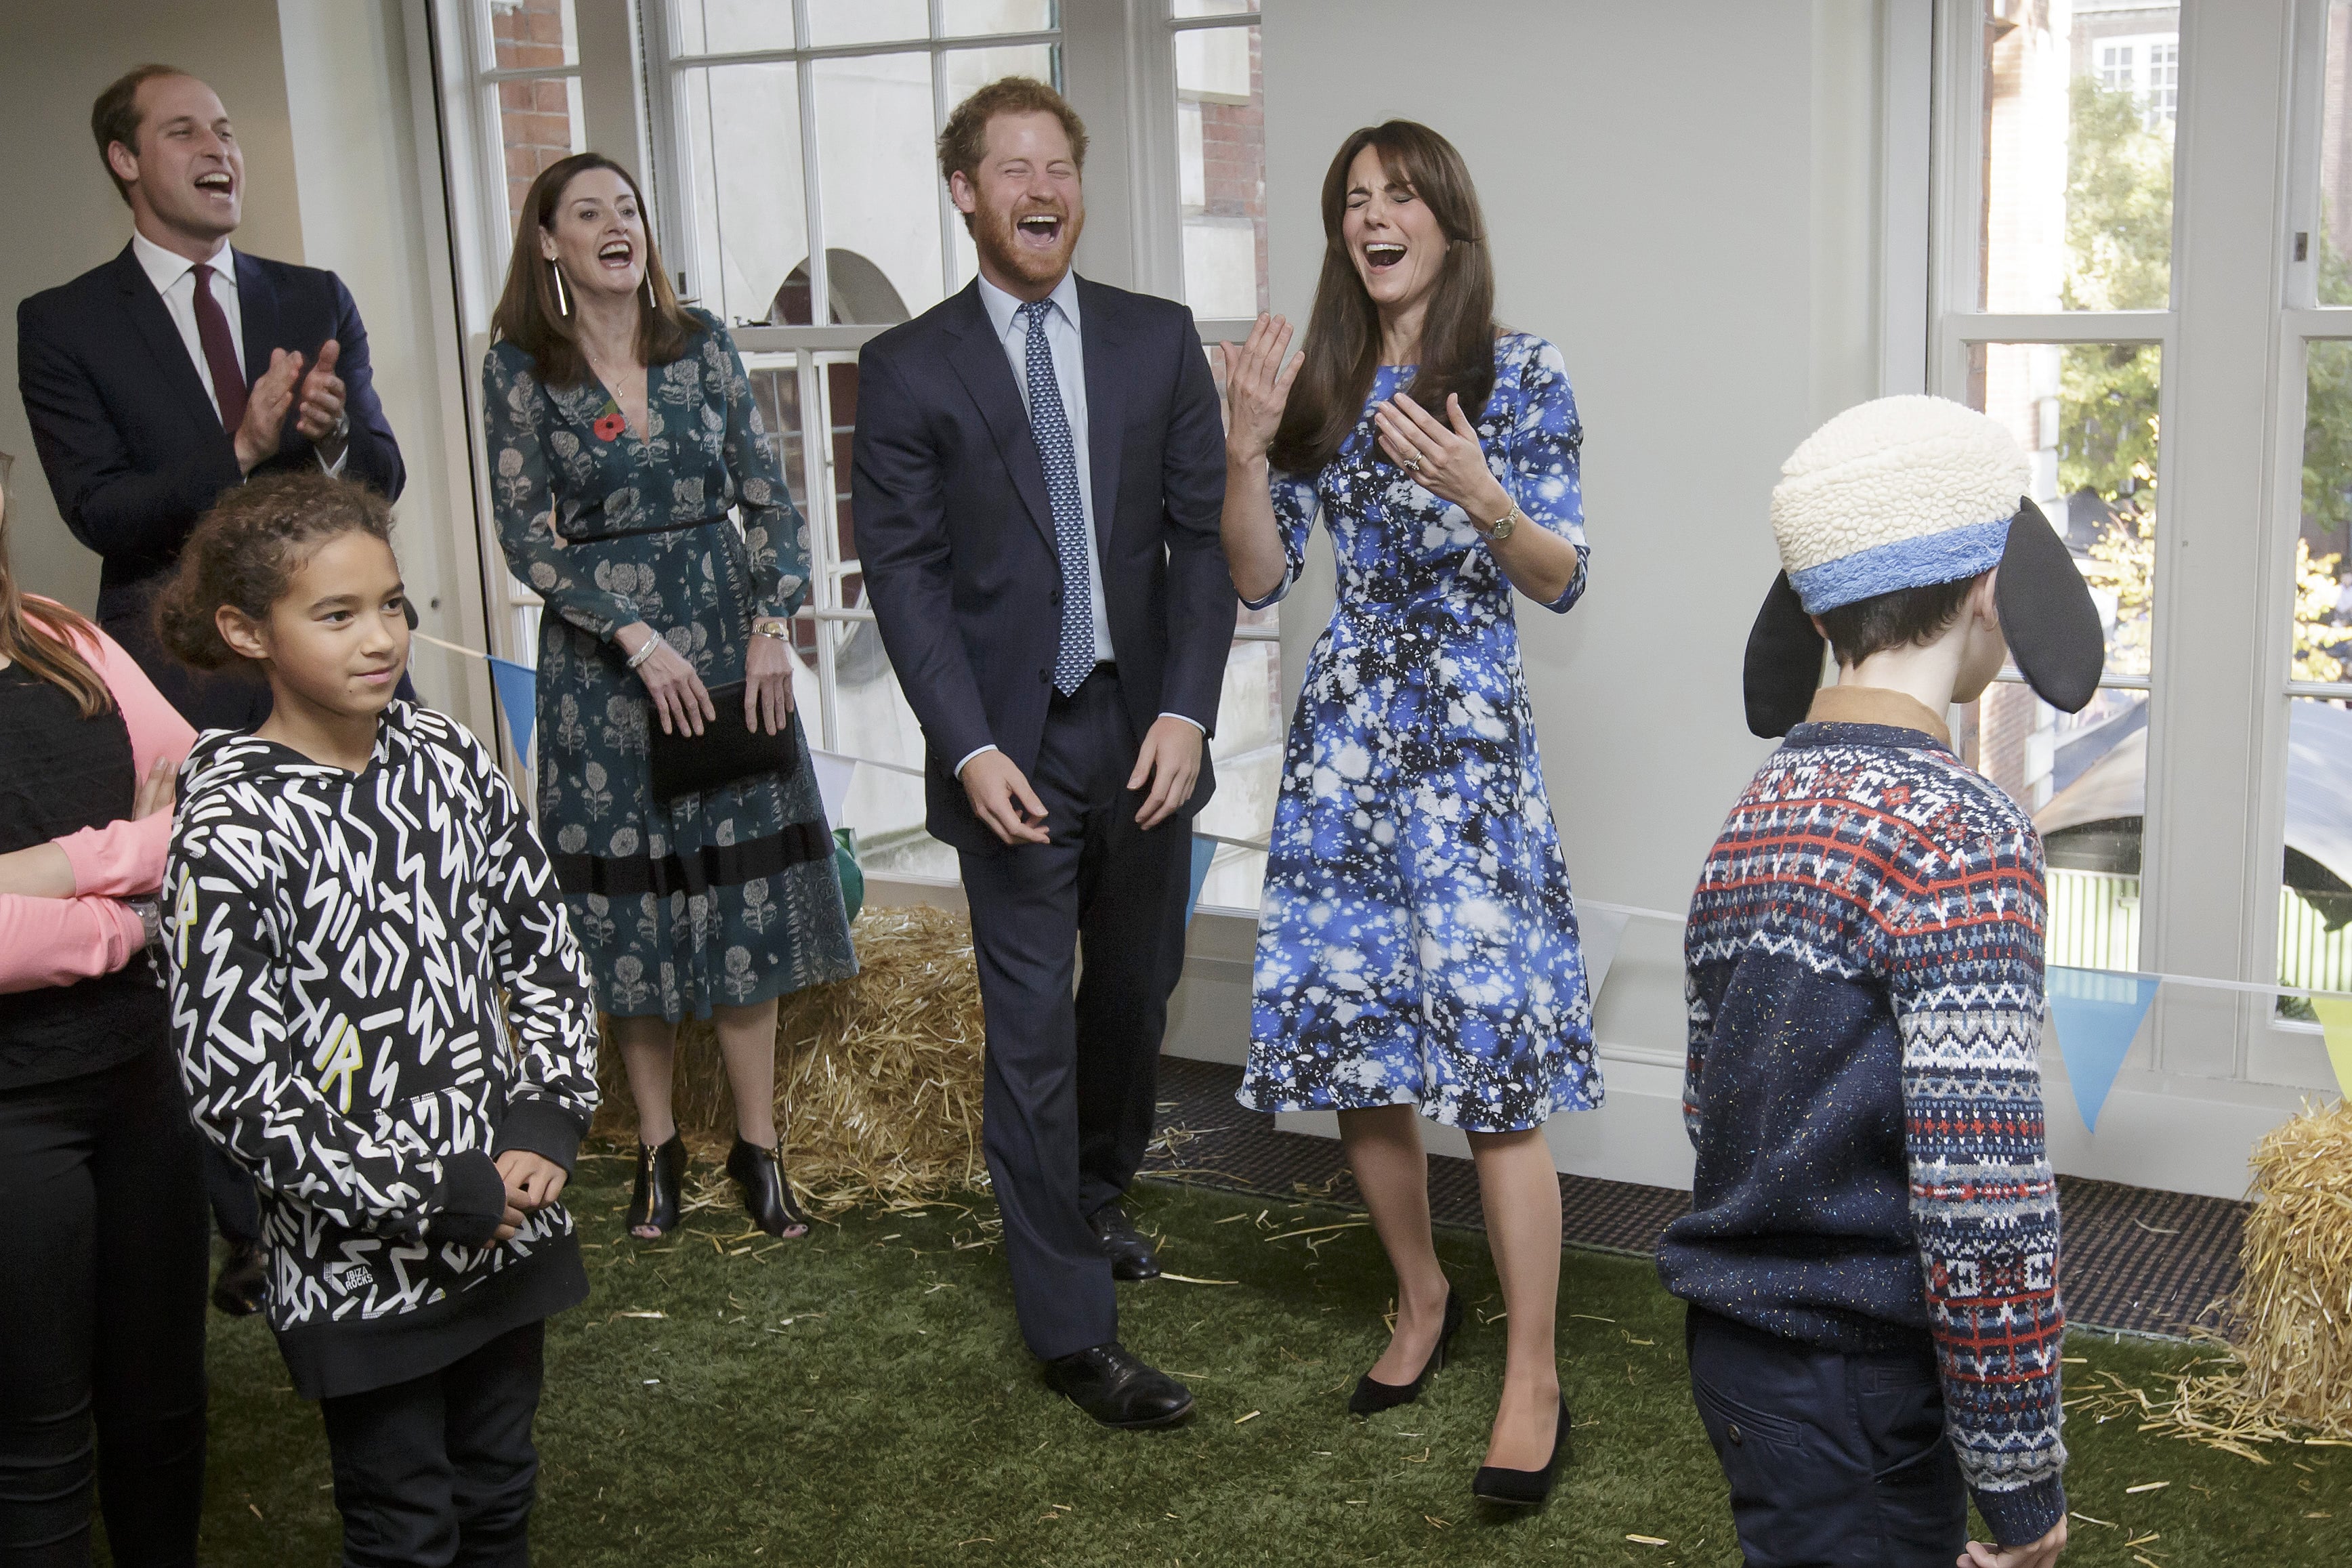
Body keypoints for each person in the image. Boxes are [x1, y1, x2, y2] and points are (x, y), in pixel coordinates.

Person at [1221, 121, 1598, 1506]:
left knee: (1494, 1072)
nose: (1371, 216)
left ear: (1446, 218)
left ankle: (1531, 1375)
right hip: (1346, 748)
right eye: (1352, 201)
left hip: (1471, 751)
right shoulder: (1324, 382)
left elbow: (1561, 577)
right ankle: (1422, 1297)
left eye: (1397, 194)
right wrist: (1245, 451)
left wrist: (1484, 495)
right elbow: (1261, 580)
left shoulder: (1521, 370)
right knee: (1357, 1047)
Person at [1662, 395, 2102, 1568]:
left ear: (1813, 602)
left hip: (1743, 1352)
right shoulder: (1962, 834)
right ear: (1989, 589)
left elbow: (1711, 1097)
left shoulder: (1756, 811)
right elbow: (1981, 1192)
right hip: (1859, 1377)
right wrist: (2019, 1480)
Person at [851, 77, 1232, 1428]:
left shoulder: (1155, 339)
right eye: (1012, 165)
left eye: (1059, 163)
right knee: (1028, 1031)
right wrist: (962, 747)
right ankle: (1073, 1331)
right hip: (1003, 750)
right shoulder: (906, 367)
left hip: (1142, 736)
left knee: (1131, 997)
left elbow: (1198, 549)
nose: (1041, 186)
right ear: (966, 190)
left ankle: (1095, 1194)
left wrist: (1187, 713)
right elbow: (900, 574)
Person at [16, 62, 406, 1316]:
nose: (217, 147)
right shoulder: (62, 321)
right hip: (165, 676)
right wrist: (237, 447)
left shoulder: (310, 294)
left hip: (318, 665)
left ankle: (365, 1164)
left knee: (340, 916)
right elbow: (103, 513)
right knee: (203, 941)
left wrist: (334, 435)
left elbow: (382, 470)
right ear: (126, 161)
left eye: (226, 129)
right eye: (184, 130)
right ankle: (243, 1216)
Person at [156, 471, 600, 1567]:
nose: (381, 638)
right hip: (360, 1268)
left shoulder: (445, 760)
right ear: (244, 631)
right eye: (338, 614)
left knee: (501, 1491)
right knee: (407, 1529)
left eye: (393, 605)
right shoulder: (225, 824)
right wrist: (437, 1191)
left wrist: (545, 1112)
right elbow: (236, 1088)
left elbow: (541, 945)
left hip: (508, 1222)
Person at [482, 152, 855, 1245]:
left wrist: (772, 625)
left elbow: (770, 500)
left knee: (741, 899)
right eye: (587, 212)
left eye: (629, 208)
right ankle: (657, 1149)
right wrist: (635, 635)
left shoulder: (704, 348)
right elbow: (523, 540)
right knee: (631, 915)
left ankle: (761, 1149)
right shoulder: (519, 370)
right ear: (548, 243)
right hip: (604, 676)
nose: (616, 225)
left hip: (731, 651)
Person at [0, 449, 206, 1567]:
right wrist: (132, 913)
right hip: (11, 1117)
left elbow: (205, 803)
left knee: (163, 1411)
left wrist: (67, 862)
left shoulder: (67, 642)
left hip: (141, 1081)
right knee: (35, 1438)